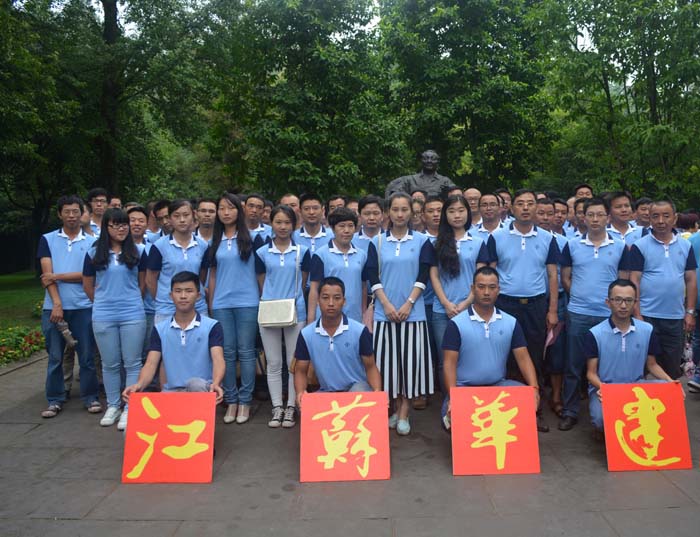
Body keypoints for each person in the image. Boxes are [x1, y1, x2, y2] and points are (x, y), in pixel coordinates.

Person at [487, 189, 559, 432]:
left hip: (536, 305)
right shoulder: (497, 236)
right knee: (504, 358)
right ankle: (506, 410)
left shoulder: (548, 238)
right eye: (520, 203)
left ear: (537, 207)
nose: (526, 208)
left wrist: (552, 310)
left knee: (534, 358)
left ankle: (534, 410)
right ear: (511, 208)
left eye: (530, 203)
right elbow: (490, 272)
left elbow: (552, 275)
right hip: (505, 304)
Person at [558, 197, 630, 431]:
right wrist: (580, 296)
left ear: (608, 218)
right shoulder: (572, 245)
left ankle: (609, 411)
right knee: (573, 364)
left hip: (608, 315)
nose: (595, 219)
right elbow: (565, 278)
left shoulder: (620, 246)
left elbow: (623, 281)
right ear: (583, 217)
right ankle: (570, 411)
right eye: (591, 215)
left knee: (605, 366)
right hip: (578, 313)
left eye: (600, 215)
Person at [368, 192, 435, 435]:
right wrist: (386, 305)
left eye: (404, 209)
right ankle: (395, 409)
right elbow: (372, 275)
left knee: (410, 364)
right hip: (383, 314)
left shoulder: (422, 241)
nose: (399, 214)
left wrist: (409, 303)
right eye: (395, 209)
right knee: (387, 365)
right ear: (388, 212)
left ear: (412, 213)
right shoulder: (377, 242)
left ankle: (405, 412)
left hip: (413, 314)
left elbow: (424, 275)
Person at [441, 267, 540, 428]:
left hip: (498, 386)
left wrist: (535, 388)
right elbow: (449, 363)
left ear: (498, 290)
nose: (486, 292)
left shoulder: (511, 322)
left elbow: (523, 358)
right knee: (452, 423)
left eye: (492, 287)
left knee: (527, 408)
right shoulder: (456, 324)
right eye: (481, 287)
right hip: (464, 389)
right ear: (473, 289)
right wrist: (453, 397)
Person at [584, 279, 678, 433]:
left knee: (668, 390)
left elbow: (652, 364)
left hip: (636, 386)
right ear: (608, 302)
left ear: (635, 303)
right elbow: (591, 373)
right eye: (618, 300)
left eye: (628, 300)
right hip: (606, 388)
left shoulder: (647, 330)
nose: (623, 305)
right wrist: (604, 388)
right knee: (600, 421)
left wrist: (670, 381)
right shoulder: (595, 333)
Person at [83, 208, 147, 430]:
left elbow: (142, 283)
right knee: (110, 363)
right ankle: (113, 405)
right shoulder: (94, 252)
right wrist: (103, 301)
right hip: (104, 314)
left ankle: (130, 406)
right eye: (116, 225)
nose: (121, 229)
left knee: (132, 362)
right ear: (106, 227)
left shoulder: (138, 251)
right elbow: (88, 285)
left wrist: (130, 300)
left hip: (132, 313)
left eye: (124, 224)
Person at [38, 195, 100, 418]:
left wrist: (58, 275)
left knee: (87, 356)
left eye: (75, 211)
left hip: (83, 306)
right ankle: (54, 399)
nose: (72, 216)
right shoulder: (47, 239)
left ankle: (90, 397)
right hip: (54, 308)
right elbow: (46, 275)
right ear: (59, 214)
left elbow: (88, 275)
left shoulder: (92, 242)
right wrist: (57, 303)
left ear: (82, 214)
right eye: (67, 212)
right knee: (55, 357)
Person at [206, 193, 265, 424]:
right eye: (222, 208)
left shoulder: (253, 238)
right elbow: (212, 275)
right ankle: (231, 399)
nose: (226, 212)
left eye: (230, 208)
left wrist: (263, 299)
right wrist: (211, 304)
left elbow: (260, 274)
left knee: (247, 351)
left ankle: (245, 400)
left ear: (238, 211)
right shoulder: (215, 241)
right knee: (227, 352)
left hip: (248, 302)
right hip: (222, 304)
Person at [122, 271, 224, 402]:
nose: (183, 296)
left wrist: (216, 383)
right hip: (171, 393)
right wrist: (139, 384)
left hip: (202, 392)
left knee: (195, 383)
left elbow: (218, 359)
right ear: (171, 295)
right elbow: (151, 363)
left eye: (189, 291)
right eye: (178, 291)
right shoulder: (160, 329)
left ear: (198, 296)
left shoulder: (212, 326)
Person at [255, 205, 311, 428]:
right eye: (278, 222)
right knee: (274, 362)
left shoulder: (302, 251)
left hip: (296, 311)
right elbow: (261, 281)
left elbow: (303, 281)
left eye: (287, 222)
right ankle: (276, 406)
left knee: (293, 362)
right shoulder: (261, 252)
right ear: (271, 223)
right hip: (269, 310)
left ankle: (291, 407)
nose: (283, 226)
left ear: (294, 225)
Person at [629, 200, 697, 379]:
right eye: (655, 216)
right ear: (649, 219)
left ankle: (669, 396)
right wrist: (637, 313)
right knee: (642, 364)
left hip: (675, 316)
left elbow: (691, 280)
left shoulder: (685, 245)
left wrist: (690, 312)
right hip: (647, 315)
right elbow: (634, 280)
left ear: (674, 218)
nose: (661, 221)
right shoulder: (640, 246)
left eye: (666, 216)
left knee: (672, 366)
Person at [430, 195, 489, 393]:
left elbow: (480, 278)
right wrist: (446, 303)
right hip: (442, 311)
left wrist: (466, 303)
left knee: (470, 357)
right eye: (452, 211)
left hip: (471, 309)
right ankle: (450, 400)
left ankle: (469, 399)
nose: (457, 215)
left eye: (461, 210)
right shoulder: (435, 243)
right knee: (444, 359)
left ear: (468, 213)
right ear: (445, 215)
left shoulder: (479, 242)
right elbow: (434, 276)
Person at [294, 277, 382, 406]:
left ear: (344, 301)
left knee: (360, 391)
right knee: (305, 404)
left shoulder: (359, 331)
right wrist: (300, 393)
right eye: (325, 298)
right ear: (318, 300)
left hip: (356, 391)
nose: (331, 303)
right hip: (327, 392)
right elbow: (300, 370)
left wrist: (377, 393)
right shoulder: (306, 334)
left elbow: (371, 367)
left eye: (336, 298)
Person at [147, 200, 208, 324]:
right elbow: (150, 279)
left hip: (197, 306)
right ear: (170, 219)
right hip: (167, 308)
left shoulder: (203, 245)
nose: (182, 220)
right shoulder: (159, 246)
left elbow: (202, 275)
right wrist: (163, 299)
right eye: (176, 216)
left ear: (194, 216)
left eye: (186, 215)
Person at [308, 208, 372, 323]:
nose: (346, 230)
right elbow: (314, 289)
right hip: (326, 317)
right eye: (341, 226)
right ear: (333, 228)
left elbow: (363, 287)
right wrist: (311, 319)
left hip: (354, 316)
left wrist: (363, 313)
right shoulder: (321, 254)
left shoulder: (362, 255)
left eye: (350, 226)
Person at [385, 149, 457, 199]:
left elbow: (457, 196)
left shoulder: (445, 181)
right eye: (426, 158)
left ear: (437, 162)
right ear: (421, 161)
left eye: (433, 159)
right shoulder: (409, 180)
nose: (429, 161)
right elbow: (392, 190)